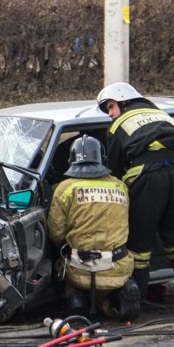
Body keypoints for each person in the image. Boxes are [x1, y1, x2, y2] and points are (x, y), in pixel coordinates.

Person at [97, 82, 174, 315]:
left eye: (110, 107)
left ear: (123, 101)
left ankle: (135, 301)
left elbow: (115, 168)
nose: (110, 114)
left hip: (149, 180)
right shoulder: (163, 115)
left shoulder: (119, 124)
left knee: (139, 244)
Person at [47, 135, 140, 319]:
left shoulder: (65, 188)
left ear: (71, 161)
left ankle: (75, 297)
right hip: (117, 267)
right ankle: (120, 293)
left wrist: (63, 247)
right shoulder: (120, 186)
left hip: (79, 268)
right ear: (102, 159)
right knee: (112, 277)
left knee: (57, 264)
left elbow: (56, 232)